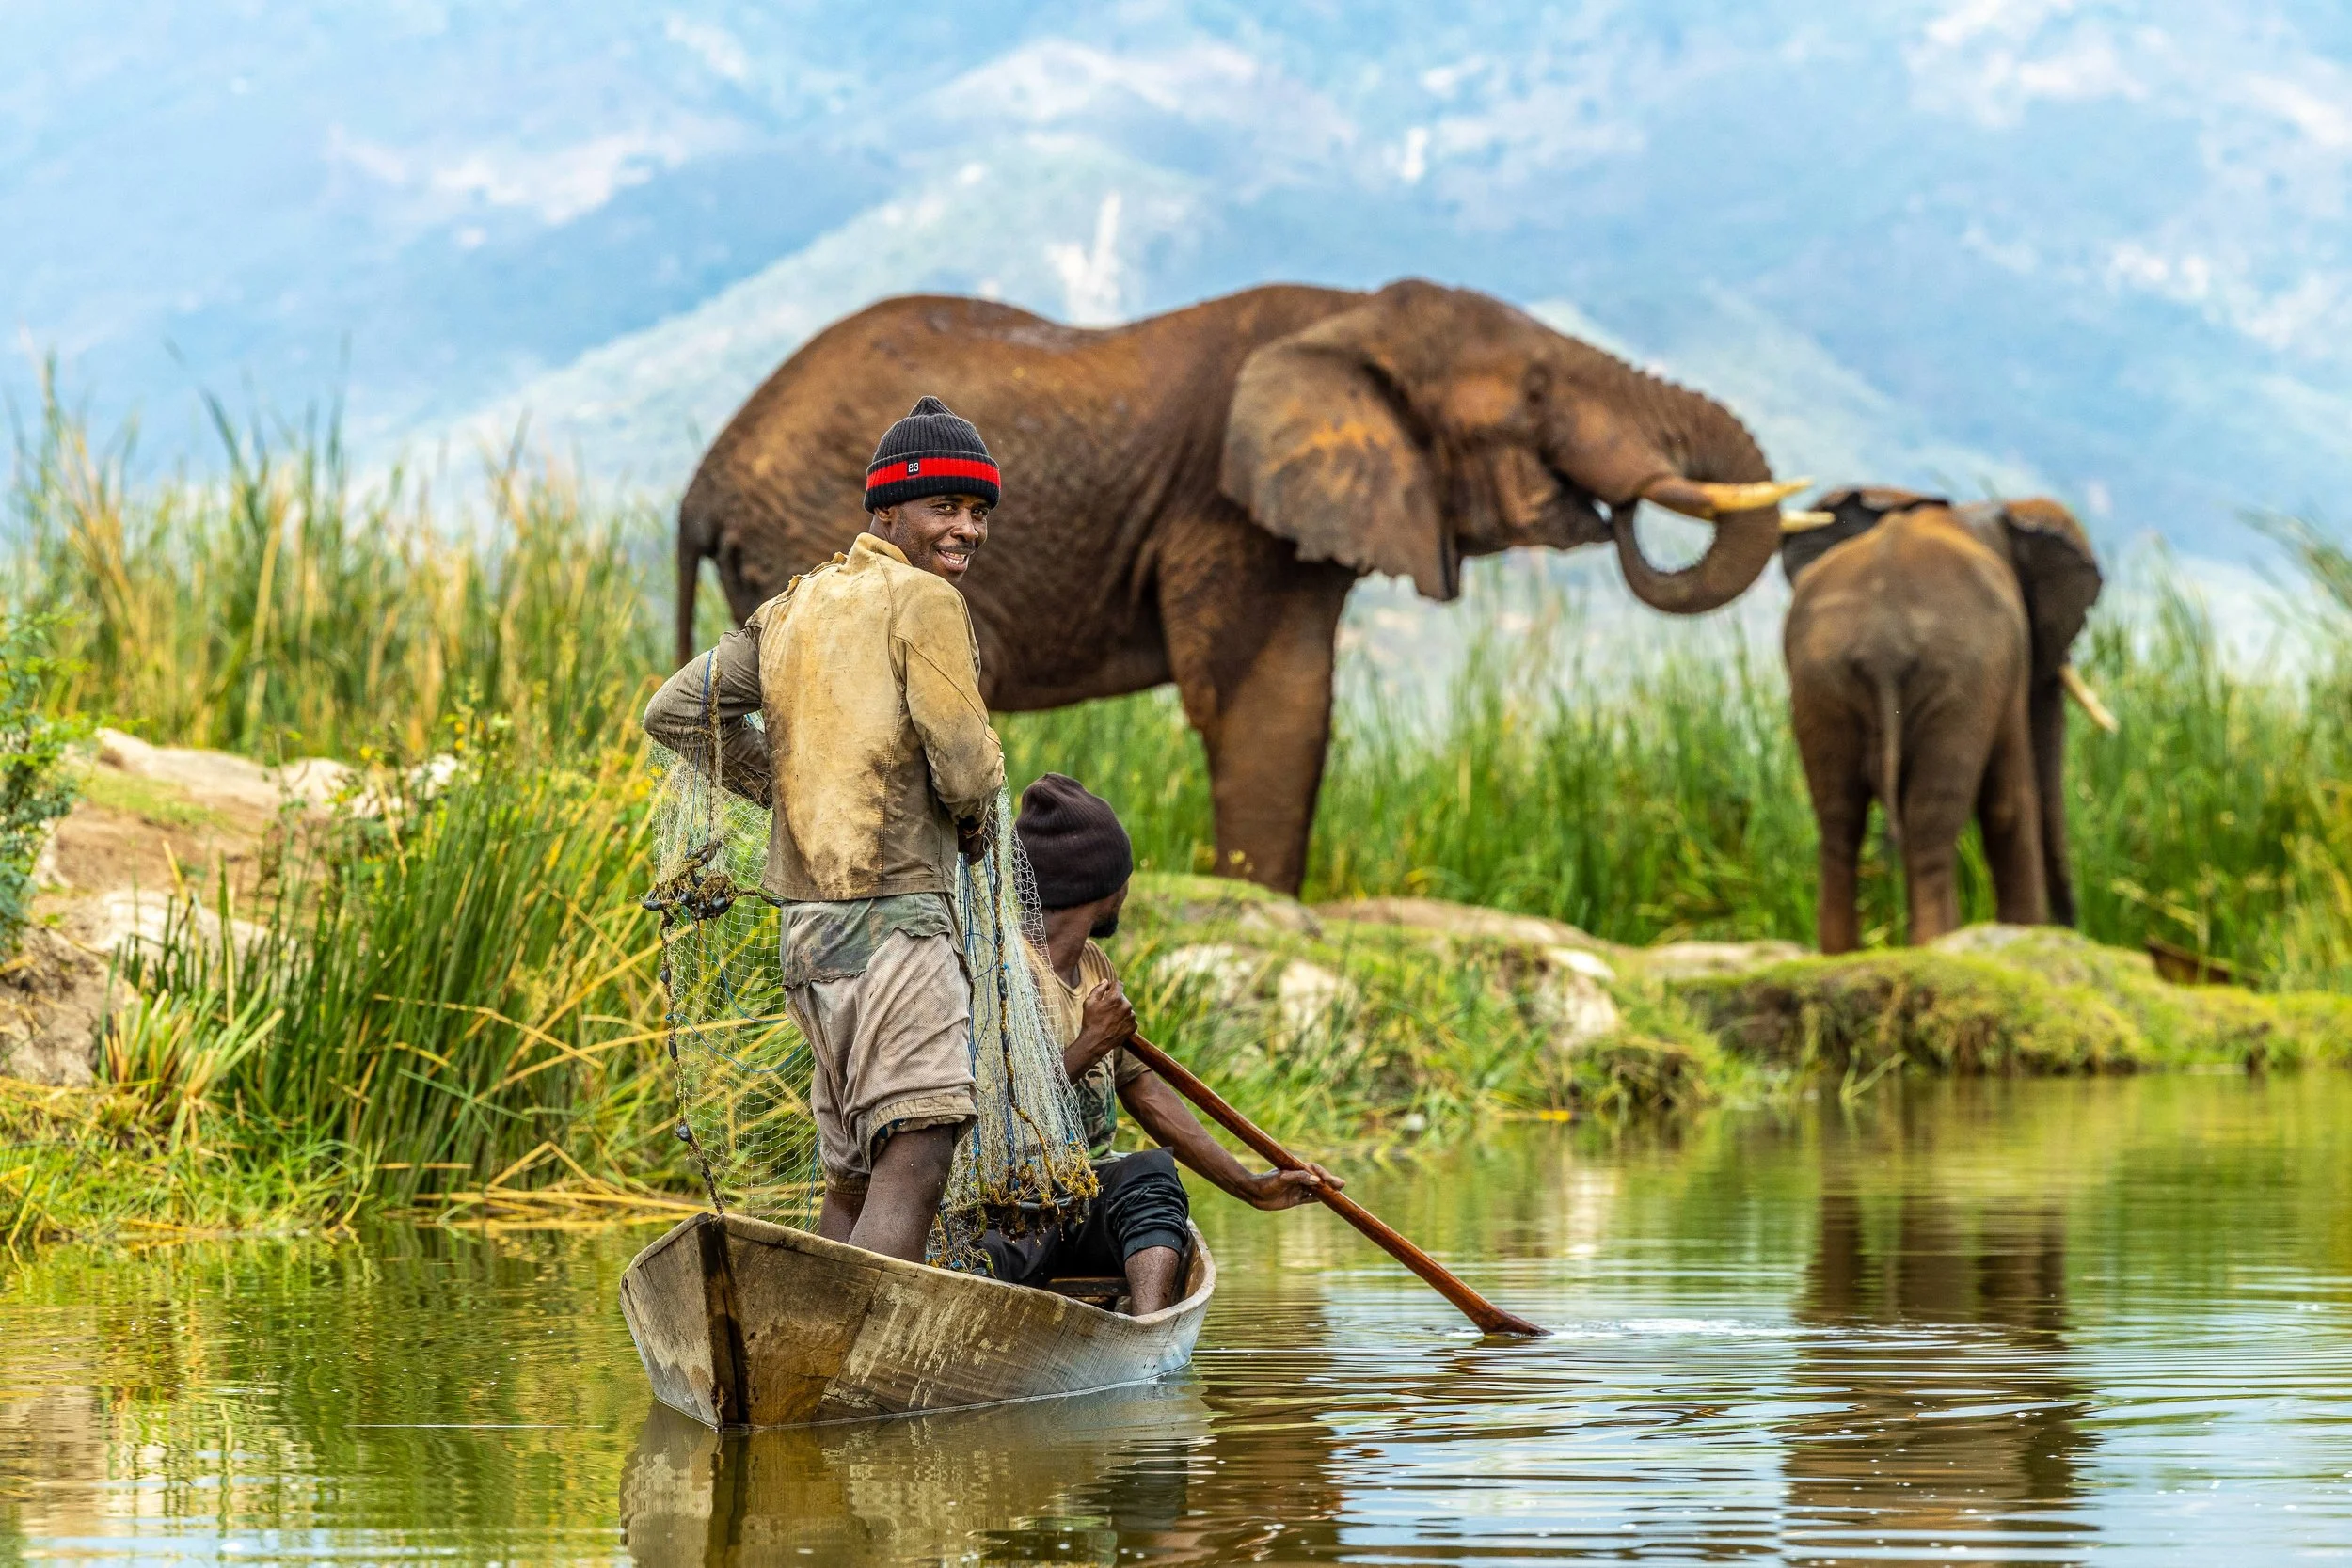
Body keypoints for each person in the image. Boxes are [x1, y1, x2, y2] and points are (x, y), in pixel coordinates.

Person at [643, 395, 1006, 1262]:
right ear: (886, 510)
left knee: (853, 1168)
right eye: (944, 507)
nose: (967, 530)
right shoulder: (925, 602)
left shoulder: (791, 608)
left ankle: (811, 1353)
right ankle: (859, 1370)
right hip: (896, 925)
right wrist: (975, 809)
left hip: (809, 941)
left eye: (979, 512)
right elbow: (964, 764)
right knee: (919, 1143)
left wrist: (792, 787)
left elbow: (675, 711)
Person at [981, 773, 1344, 1312]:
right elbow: (999, 1111)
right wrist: (1091, 1042)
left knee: (1148, 1175)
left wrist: (1249, 1186)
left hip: (1081, 1199)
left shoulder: (1094, 967)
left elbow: (1145, 1092)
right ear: (1104, 886)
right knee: (984, 1253)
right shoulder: (1000, 974)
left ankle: (1146, 1330)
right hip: (1009, 1212)